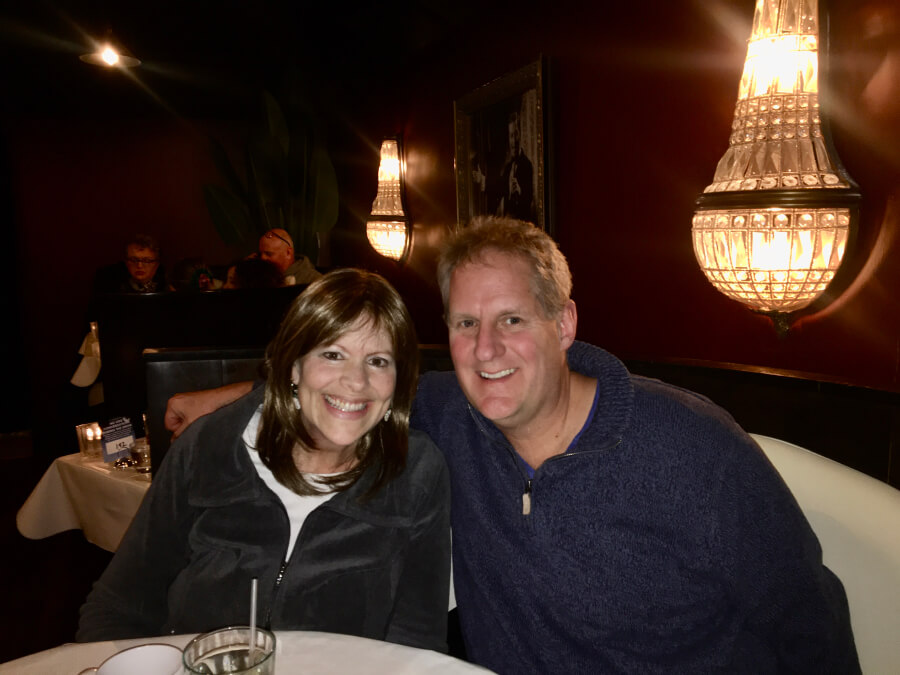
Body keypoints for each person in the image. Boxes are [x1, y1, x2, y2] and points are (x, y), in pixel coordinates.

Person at [164, 218, 859, 673]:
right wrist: (221, 399)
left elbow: (811, 622)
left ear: (565, 323)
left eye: (512, 319)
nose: (487, 349)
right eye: (466, 323)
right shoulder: (449, 413)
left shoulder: (695, 450)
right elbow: (341, 385)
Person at [78, 269, 451, 652]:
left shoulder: (416, 473)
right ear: (294, 366)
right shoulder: (208, 448)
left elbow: (417, 640)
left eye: (378, 361)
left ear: (398, 380)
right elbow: (118, 606)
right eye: (333, 354)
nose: (356, 381)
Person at [91, 234, 166, 294]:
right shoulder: (111, 288)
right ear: (126, 262)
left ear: (156, 264)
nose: (139, 265)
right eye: (134, 260)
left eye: (146, 261)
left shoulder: (167, 289)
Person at [497, 112, 534, 222]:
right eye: (511, 136)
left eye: (516, 135)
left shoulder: (527, 165)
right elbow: (499, 191)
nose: (514, 141)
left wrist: (519, 190)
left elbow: (529, 200)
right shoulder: (508, 168)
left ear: (521, 136)